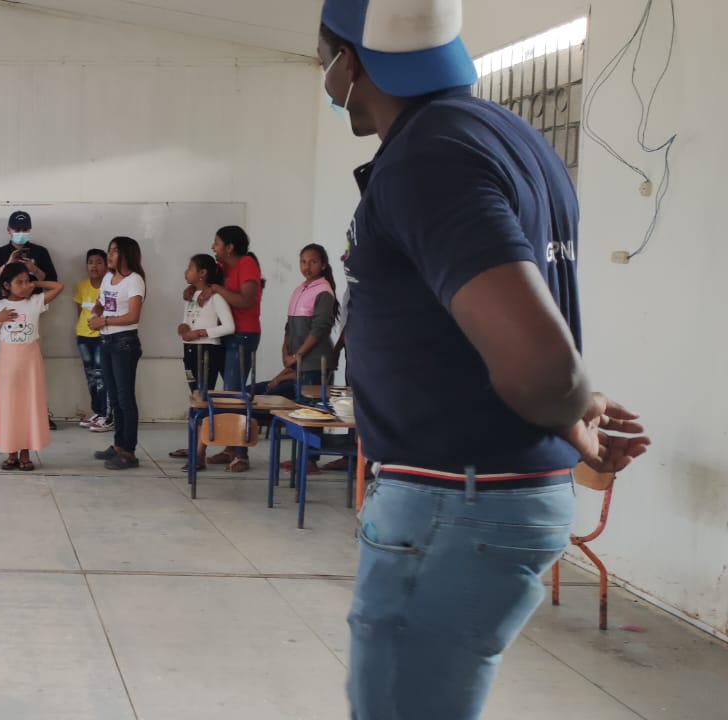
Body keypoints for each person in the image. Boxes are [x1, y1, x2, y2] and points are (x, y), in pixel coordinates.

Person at [316, 2, 649, 718]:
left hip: (454, 505)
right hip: (483, 495)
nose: (327, 79)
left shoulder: (427, 158)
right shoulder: (510, 139)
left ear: (349, 61)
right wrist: (574, 414)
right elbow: (500, 335)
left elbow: (542, 368)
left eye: (324, 59)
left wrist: (573, 408)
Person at [228, 244, 340, 473]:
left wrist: (298, 354)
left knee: (312, 412)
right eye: (303, 262)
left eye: (313, 262)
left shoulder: (324, 290)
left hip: (314, 362)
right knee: (301, 410)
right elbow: (289, 325)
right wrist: (285, 349)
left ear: (323, 265)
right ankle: (302, 457)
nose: (307, 267)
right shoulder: (301, 289)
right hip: (298, 360)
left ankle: (310, 460)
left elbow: (320, 328)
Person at [0, 210, 60, 431]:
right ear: (9, 230)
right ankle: (9, 412)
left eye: (25, 229)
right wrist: (7, 264)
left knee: (33, 367)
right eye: (17, 229)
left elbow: (54, 281)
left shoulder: (40, 252)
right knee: (9, 368)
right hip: (6, 313)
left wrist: (34, 270)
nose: (21, 233)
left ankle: (39, 412)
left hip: (33, 308)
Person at [0, 265, 64, 471]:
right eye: (19, 282)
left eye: (26, 281)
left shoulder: (35, 302)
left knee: (29, 405)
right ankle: (11, 452)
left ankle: (26, 453)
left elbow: (58, 287)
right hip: (7, 364)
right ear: (6, 285)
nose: (24, 285)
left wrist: (34, 282)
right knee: (9, 406)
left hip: (30, 363)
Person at [199, 225, 265, 471]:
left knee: (235, 395)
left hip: (244, 335)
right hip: (227, 335)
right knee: (227, 393)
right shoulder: (224, 266)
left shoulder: (247, 264)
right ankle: (230, 447)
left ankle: (241, 454)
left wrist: (217, 289)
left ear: (230, 247)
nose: (213, 247)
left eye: (217, 243)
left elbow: (246, 300)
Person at [88, 236, 146, 470]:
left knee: (125, 398)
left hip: (124, 343)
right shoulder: (108, 279)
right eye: (109, 250)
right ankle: (119, 445)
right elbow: (101, 303)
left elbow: (133, 316)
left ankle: (129, 451)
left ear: (126, 254)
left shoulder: (135, 280)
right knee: (114, 397)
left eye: (114, 251)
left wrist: (104, 321)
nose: (109, 255)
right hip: (107, 341)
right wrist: (95, 314)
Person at [173, 254, 234, 471]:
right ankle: (195, 446)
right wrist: (183, 327)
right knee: (195, 399)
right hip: (190, 351)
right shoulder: (191, 295)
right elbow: (187, 320)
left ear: (202, 273)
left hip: (207, 351)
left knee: (203, 400)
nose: (186, 272)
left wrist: (200, 333)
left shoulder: (216, 298)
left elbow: (229, 327)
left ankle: (199, 452)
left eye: (190, 268)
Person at [73, 249, 112, 432]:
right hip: (83, 336)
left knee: (102, 376)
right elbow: (79, 311)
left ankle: (107, 415)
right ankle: (97, 412)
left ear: (106, 265)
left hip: (101, 336)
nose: (94, 266)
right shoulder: (81, 286)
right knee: (90, 377)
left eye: (98, 262)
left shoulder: (110, 286)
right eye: (90, 262)